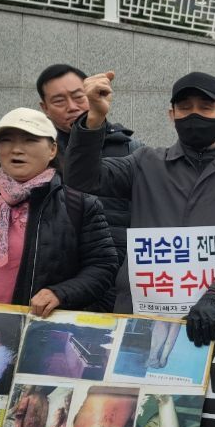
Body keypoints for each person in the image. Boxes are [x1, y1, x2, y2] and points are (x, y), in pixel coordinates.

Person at [65, 71, 215, 347]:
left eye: (206, 107)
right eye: (185, 108)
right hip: (143, 315)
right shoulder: (144, 163)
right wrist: (94, 117)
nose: (195, 115)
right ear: (172, 115)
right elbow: (81, 178)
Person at [0, 108, 118, 315]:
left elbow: (103, 266)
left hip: (37, 326)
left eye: (30, 140)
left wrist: (61, 293)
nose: (16, 149)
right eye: (6, 140)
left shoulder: (79, 205)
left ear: (52, 150)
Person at [36, 64, 143, 312]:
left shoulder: (130, 150)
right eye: (59, 101)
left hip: (119, 284)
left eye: (78, 96)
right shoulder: (37, 154)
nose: (72, 106)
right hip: (55, 287)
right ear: (45, 108)